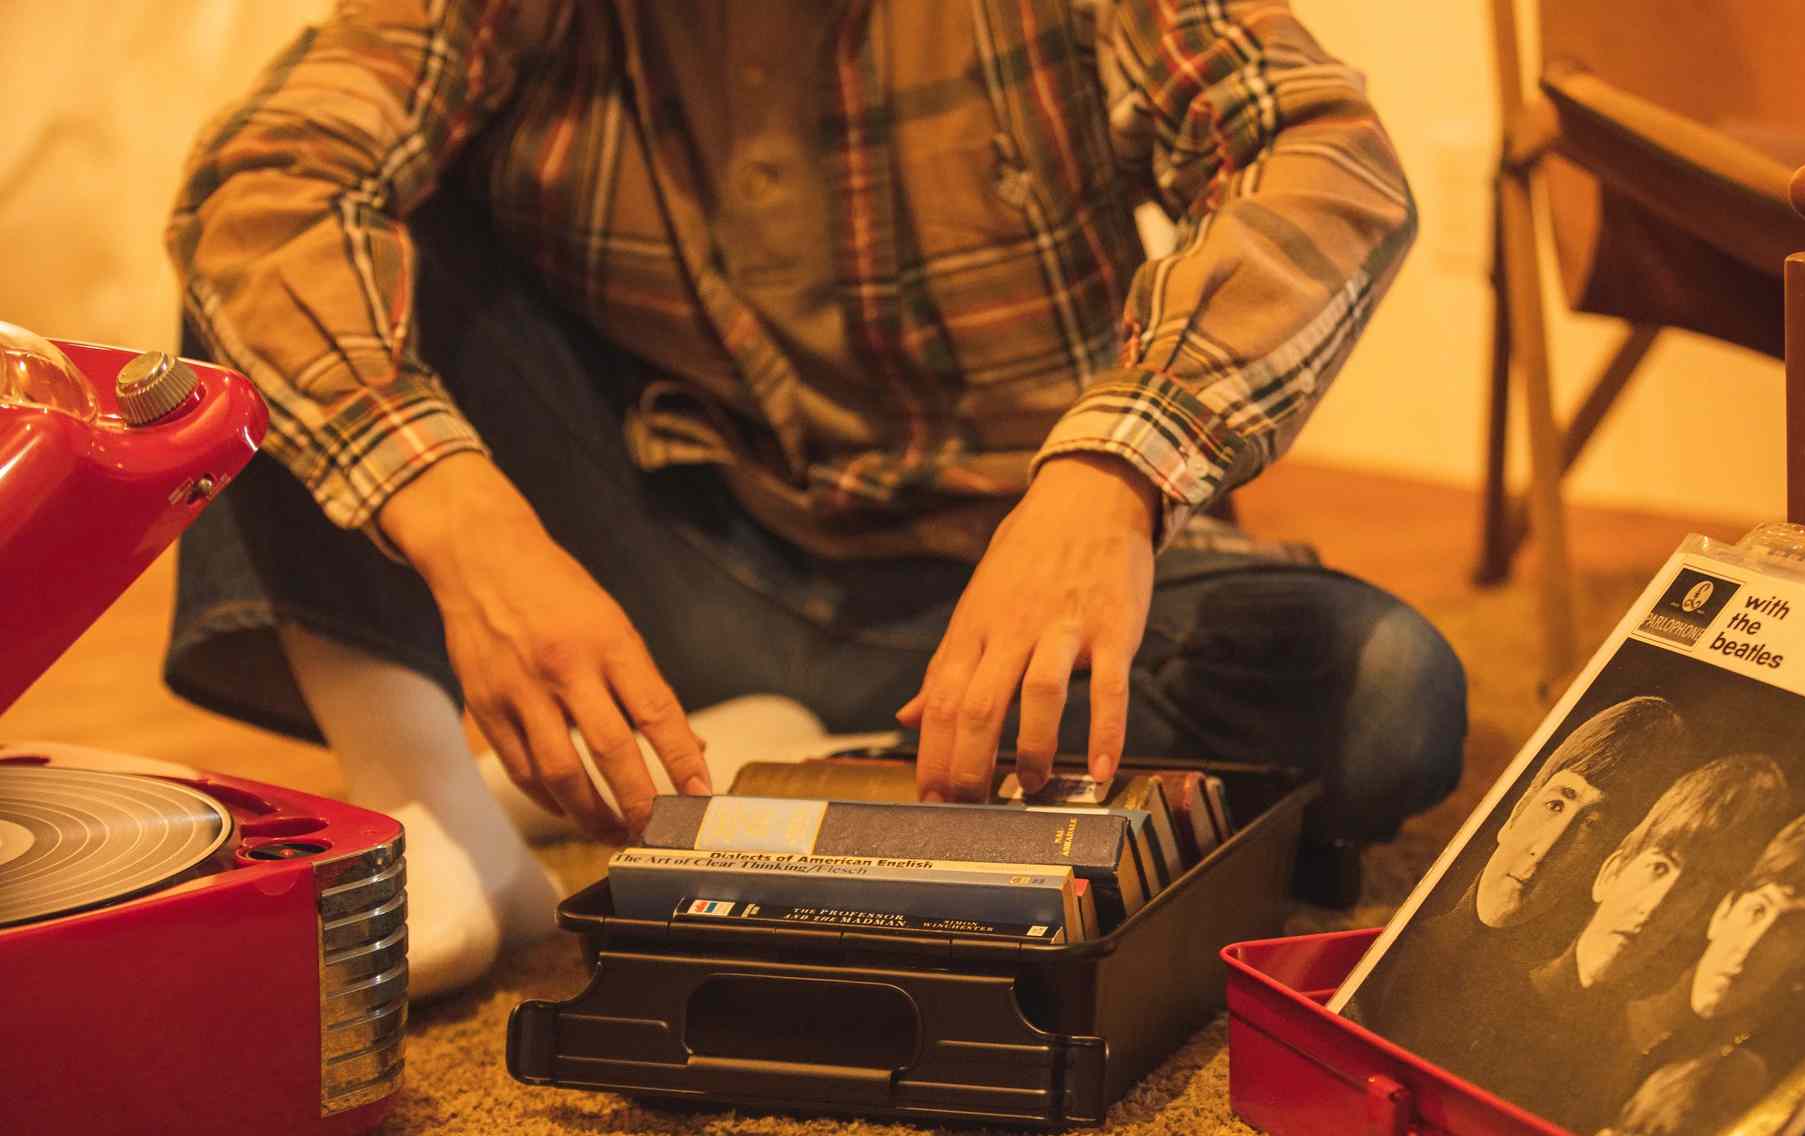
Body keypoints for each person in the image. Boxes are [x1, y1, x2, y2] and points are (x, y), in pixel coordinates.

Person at [161, 1, 1467, 996]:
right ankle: (438, 814)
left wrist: (1113, 473)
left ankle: (753, 747)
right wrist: (470, 526)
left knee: (1388, 693)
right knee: (272, 283)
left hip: (1015, 580)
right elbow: (264, 190)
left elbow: (1324, 152)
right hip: (676, 550)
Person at [1341, 695, 1692, 1058]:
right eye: (1556, 804)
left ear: (1608, 864)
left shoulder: (1564, 1030)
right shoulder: (1397, 952)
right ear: (1517, 811)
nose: (1546, 847)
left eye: (1591, 826)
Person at [1472, 752, 1790, 1128]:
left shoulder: (1623, 1061)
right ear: (1611, 872)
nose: (1655, 906)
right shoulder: (1484, 995)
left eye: (1693, 887)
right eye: (1660, 867)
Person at [1591, 804, 1805, 1136]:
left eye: (1788, 929)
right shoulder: (1609, 1019)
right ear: (1724, 911)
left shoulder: (1760, 1074)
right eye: (1756, 910)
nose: (1751, 946)